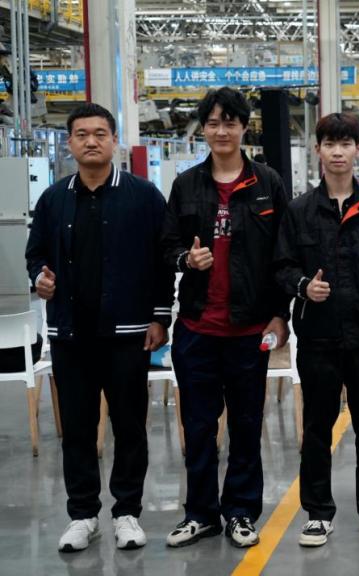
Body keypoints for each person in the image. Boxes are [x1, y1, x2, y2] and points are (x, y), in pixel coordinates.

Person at [25, 103, 174, 552]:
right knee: (77, 427)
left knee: (129, 426)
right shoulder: (53, 198)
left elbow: (163, 259)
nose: (91, 141)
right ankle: (82, 515)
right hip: (71, 334)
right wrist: (39, 279)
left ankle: (127, 512)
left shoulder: (143, 196)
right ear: (69, 143)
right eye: (82, 134)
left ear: (114, 141)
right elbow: (35, 254)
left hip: (127, 332)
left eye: (100, 134)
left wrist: (160, 316)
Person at [161, 87, 292, 549]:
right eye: (213, 123)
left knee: (246, 424)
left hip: (249, 330)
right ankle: (200, 513)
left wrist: (280, 315)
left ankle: (240, 511)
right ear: (204, 129)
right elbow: (167, 246)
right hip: (197, 327)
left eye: (230, 122)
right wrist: (186, 260)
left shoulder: (268, 184)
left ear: (244, 127)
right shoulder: (186, 185)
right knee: (198, 427)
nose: (222, 131)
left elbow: (284, 256)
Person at [274, 112, 359, 547]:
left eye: (345, 144)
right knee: (317, 426)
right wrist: (303, 287)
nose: (337, 152)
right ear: (317, 150)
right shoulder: (299, 211)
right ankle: (317, 513)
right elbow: (281, 267)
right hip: (318, 337)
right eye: (329, 144)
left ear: (357, 150)